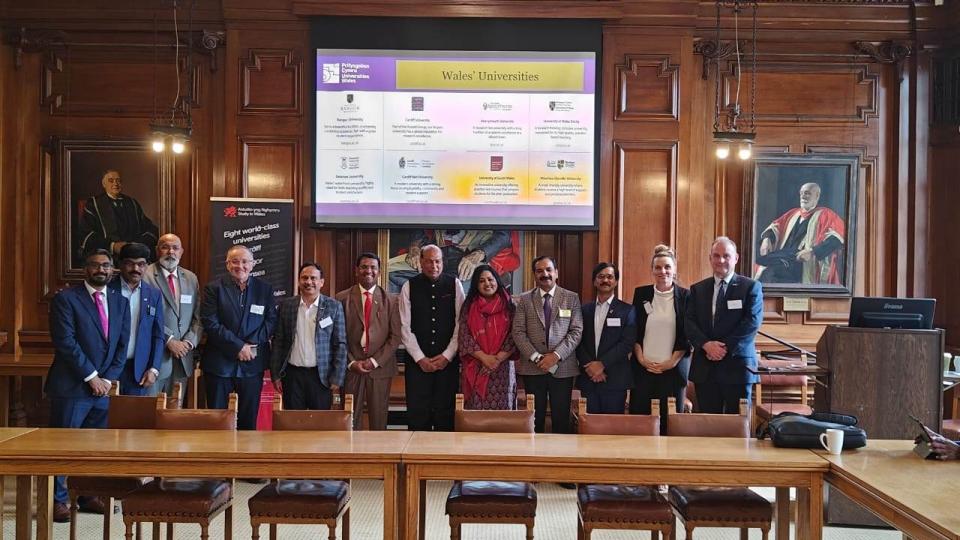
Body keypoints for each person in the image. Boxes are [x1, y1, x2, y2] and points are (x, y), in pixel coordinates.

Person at [46, 248, 131, 521]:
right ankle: (58, 500)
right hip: (72, 387)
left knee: (93, 445)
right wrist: (91, 377)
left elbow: (121, 345)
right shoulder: (66, 299)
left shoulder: (120, 301)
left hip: (103, 389)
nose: (101, 270)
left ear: (112, 269)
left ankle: (88, 494)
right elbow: (66, 343)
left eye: (106, 265)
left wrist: (106, 380)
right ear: (86, 269)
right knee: (64, 445)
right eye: (96, 266)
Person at [200, 245, 277, 430]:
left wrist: (249, 345)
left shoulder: (264, 289)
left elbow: (271, 322)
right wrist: (238, 347)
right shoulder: (213, 289)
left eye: (244, 261)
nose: (239, 266)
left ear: (252, 265)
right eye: (235, 261)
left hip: (252, 364)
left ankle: (246, 458)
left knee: (248, 421)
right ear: (227, 265)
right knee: (217, 421)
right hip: (219, 365)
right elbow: (210, 323)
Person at [685, 237, 763, 414]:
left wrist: (722, 349)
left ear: (736, 258)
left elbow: (751, 323)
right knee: (709, 427)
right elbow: (689, 322)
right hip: (705, 369)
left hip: (737, 368)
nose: (721, 261)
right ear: (710, 258)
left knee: (738, 428)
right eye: (716, 256)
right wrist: (706, 345)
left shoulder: (750, 287)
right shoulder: (698, 289)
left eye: (726, 256)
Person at [512, 255, 583, 433]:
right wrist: (537, 358)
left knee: (561, 419)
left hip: (563, 367)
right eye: (539, 271)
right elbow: (518, 332)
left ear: (556, 273)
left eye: (548, 269)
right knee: (534, 419)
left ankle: (560, 458)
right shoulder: (524, 299)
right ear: (534, 275)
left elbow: (576, 331)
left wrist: (555, 356)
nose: (545, 274)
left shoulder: (571, 297)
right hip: (533, 368)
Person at [398, 244, 465, 431]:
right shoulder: (408, 286)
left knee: (446, 413)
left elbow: (461, 323)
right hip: (417, 364)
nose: (433, 266)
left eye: (437, 261)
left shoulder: (455, 284)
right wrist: (420, 358)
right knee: (418, 414)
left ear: (442, 262)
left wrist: (447, 355)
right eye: (428, 261)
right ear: (421, 262)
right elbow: (405, 326)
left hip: (448, 363)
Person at [335, 252, 402, 429]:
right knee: (349, 420)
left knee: (379, 420)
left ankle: (379, 456)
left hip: (380, 368)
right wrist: (351, 362)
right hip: (351, 368)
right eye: (364, 267)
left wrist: (374, 361)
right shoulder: (341, 299)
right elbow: (337, 337)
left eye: (373, 267)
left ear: (379, 272)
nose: (368, 271)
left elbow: (395, 337)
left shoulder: (392, 300)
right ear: (356, 270)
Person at [270, 263, 347, 410]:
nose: (309, 282)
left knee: (318, 426)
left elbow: (340, 344)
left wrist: (337, 376)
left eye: (313, 278)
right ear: (299, 281)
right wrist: (275, 374)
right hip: (292, 375)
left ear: (321, 282)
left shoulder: (333, 306)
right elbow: (278, 341)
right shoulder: (287, 306)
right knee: (293, 423)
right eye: (304, 278)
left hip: (321, 376)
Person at [630, 245, 691, 430]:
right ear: (652, 270)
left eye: (667, 267)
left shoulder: (686, 296)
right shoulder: (641, 294)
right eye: (657, 267)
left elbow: (687, 333)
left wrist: (671, 362)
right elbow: (634, 330)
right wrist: (641, 359)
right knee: (641, 424)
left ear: (674, 270)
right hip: (643, 370)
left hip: (672, 371)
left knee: (670, 425)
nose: (662, 271)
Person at [141, 233, 203, 397]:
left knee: (175, 415)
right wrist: (169, 340)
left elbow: (198, 317)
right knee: (150, 413)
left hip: (183, 358)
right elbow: (143, 315)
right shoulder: (145, 275)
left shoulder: (191, 278)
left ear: (181, 251)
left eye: (175, 248)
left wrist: (189, 343)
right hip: (154, 359)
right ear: (157, 250)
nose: (171, 252)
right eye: (165, 247)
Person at [754, 182, 845, 284]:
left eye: (807, 193)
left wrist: (812, 252)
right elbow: (775, 226)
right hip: (784, 258)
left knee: (768, 270)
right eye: (801, 193)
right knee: (761, 266)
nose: (803, 196)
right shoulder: (793, 213)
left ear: (817, 196)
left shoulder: (827, 214)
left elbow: (837, 238)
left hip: (804, 264)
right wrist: (767, 239)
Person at [576, 262, 636, 414]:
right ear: (594, 281)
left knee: (613, 430)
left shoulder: (627, 310)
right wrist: (591, 367)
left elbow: (627, 343)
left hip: (615, 379)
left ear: (616, 281)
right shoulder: (583, 310)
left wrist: (601, 365)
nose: (605, 280)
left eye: (610, 277)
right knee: (588, 427)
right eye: (601, 277)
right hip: (588, 377)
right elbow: (577, 340)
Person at [458, 264, 518, 410]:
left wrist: (496, 360)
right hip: (477, 366)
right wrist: (485, 358)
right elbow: (465, 336)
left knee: (504, 412)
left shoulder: (510, 306)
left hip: (502, 369)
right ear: (476, 285)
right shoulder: (468, 307)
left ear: (497, 280)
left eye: (490, 279)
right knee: (475, 411)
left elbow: (514, 335)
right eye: (482, 281)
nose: (487, 284)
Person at [109, 242, 165, 396]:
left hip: (139, 371)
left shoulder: (154, 294)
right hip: (108, 369)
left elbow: (158, 335)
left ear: (146, 266)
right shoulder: (107, 290)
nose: (136, 269)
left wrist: (154, 368)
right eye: (130, 264)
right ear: (120, 264)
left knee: (134, 418)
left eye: (141, 264)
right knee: (107, 418)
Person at [388, 229, 519, 292]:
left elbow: (504, 235)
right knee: (390, 275)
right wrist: (415, 246)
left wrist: (480, 254)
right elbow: (418, 224)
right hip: (434, 253)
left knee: (457, 290)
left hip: (470, 256)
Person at [76, 169, 159, 261]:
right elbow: (87, 234)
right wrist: (113, 246)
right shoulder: (94, 204)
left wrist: (137, 244)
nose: (115, 184)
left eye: (118, 180)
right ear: (104, 184)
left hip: (133, 254)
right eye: (111, 181)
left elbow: (150, 228)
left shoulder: (132, 203)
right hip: (107, 256)